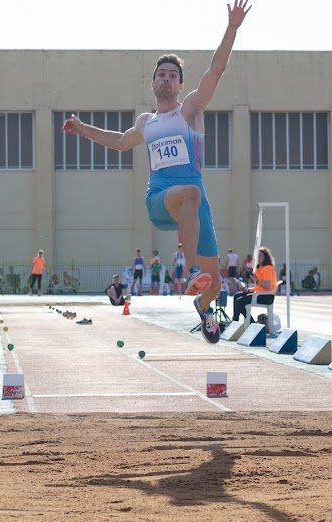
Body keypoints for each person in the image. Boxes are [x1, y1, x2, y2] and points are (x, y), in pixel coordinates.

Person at [61, 0, 252, 343]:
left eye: (173, 76)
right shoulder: (146, 123)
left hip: (194, 206)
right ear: (152, 85)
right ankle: (191, 269)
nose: (167, 79)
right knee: (190, 195)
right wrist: (83, 128)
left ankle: (204, 306)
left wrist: (232, 28)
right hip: (161, 200)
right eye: (161, 75)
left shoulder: (191, 110)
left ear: (181, 86)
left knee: (216, 282)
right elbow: (120, 142)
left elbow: (216, 70)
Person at [232, 246, 278, 321]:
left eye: (260, 256)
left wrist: (256, 280)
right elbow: (258, 288)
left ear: (265, 257)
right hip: (259, 294)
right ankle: (244, 321)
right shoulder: (260, 268)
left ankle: (243, 322)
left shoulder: (268, 268)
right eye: (257, 256)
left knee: (239, 302)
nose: (258, 258)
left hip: (266, 297)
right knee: (237, 296)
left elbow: (267, 286)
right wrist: (247, 290)